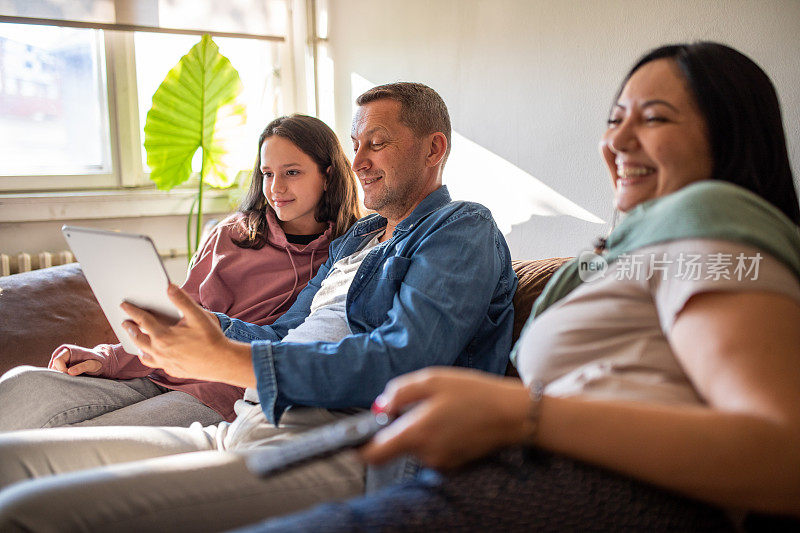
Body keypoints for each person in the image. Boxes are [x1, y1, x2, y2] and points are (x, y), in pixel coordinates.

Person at [241, 42, 800, 532]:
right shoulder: (639, 251)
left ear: (726, 133)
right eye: (615, 118)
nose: (616, 141)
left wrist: (520, 413)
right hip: (521, 476)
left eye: (653, 119)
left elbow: (783, 456)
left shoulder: (713, 221)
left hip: (594, 493)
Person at [0, 82, 517, 532]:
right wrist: (203, 325)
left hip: (333, 438)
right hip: (245, 422)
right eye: (356, 144)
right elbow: (283, 332)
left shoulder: (461, 228)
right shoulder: (359, 239)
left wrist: (230, 362)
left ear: (434, 149)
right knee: (11, 464)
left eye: (377, 144)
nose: (358, 161)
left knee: (29, 513)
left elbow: (405, 359)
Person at [0, 114, 361, 430]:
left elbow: (292, 343)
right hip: (161, 370)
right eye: (267, 173)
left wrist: (213, 330)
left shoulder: (346, 257)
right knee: (23, 386)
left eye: (292, 173)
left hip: (220, 387)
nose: (276, 188)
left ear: (327, 175)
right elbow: (175, 312)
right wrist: (106, 357)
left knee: (76, 439)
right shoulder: (232, 234)